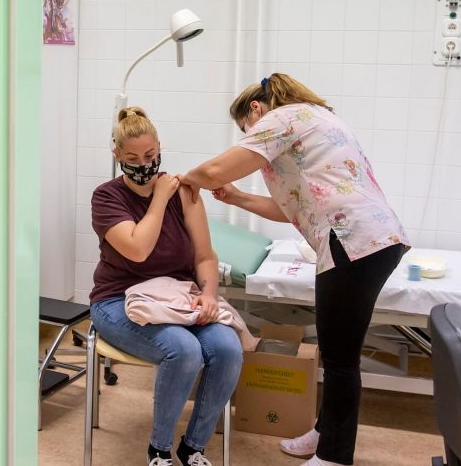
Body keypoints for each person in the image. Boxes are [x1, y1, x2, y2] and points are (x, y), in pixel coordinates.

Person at [177, 74, 410, 466]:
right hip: (373, 238)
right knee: (337, 351)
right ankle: (324, 432)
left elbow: (216, 170)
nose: (250, 136)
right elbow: (294, 209)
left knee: (340, 358)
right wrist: (237, 198)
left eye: (246, 129)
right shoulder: (315, 118)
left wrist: (185, 181)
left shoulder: (281, 118)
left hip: (352, 241)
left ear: (256, 109)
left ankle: (334, 456)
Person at [90, 107, 243, 466]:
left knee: (228, 348)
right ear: (117, 155)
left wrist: (209, 294)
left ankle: (193, 448)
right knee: (184, 350)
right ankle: (159, 450)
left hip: (176, 297)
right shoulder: (106, 197)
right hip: (117, 302)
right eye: (132, 159)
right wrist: (159, 197)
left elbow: (204, 255)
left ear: (160, 148)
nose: (144, 164)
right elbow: (138, 249)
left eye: (150, 155)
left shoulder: (186, 193)